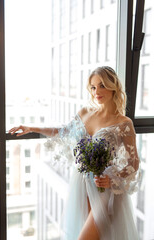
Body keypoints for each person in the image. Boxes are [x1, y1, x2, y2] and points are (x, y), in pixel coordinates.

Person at [9, 66, 140, 240]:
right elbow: (64, 131)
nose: (96, 91)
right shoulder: (85, 112)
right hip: (82, 184)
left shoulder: (124, 123)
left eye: (101, 85)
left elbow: (134, 163)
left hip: (104, 188)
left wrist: (113, 179)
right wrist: (30, 127)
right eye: (93, 87)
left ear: (113, 86)